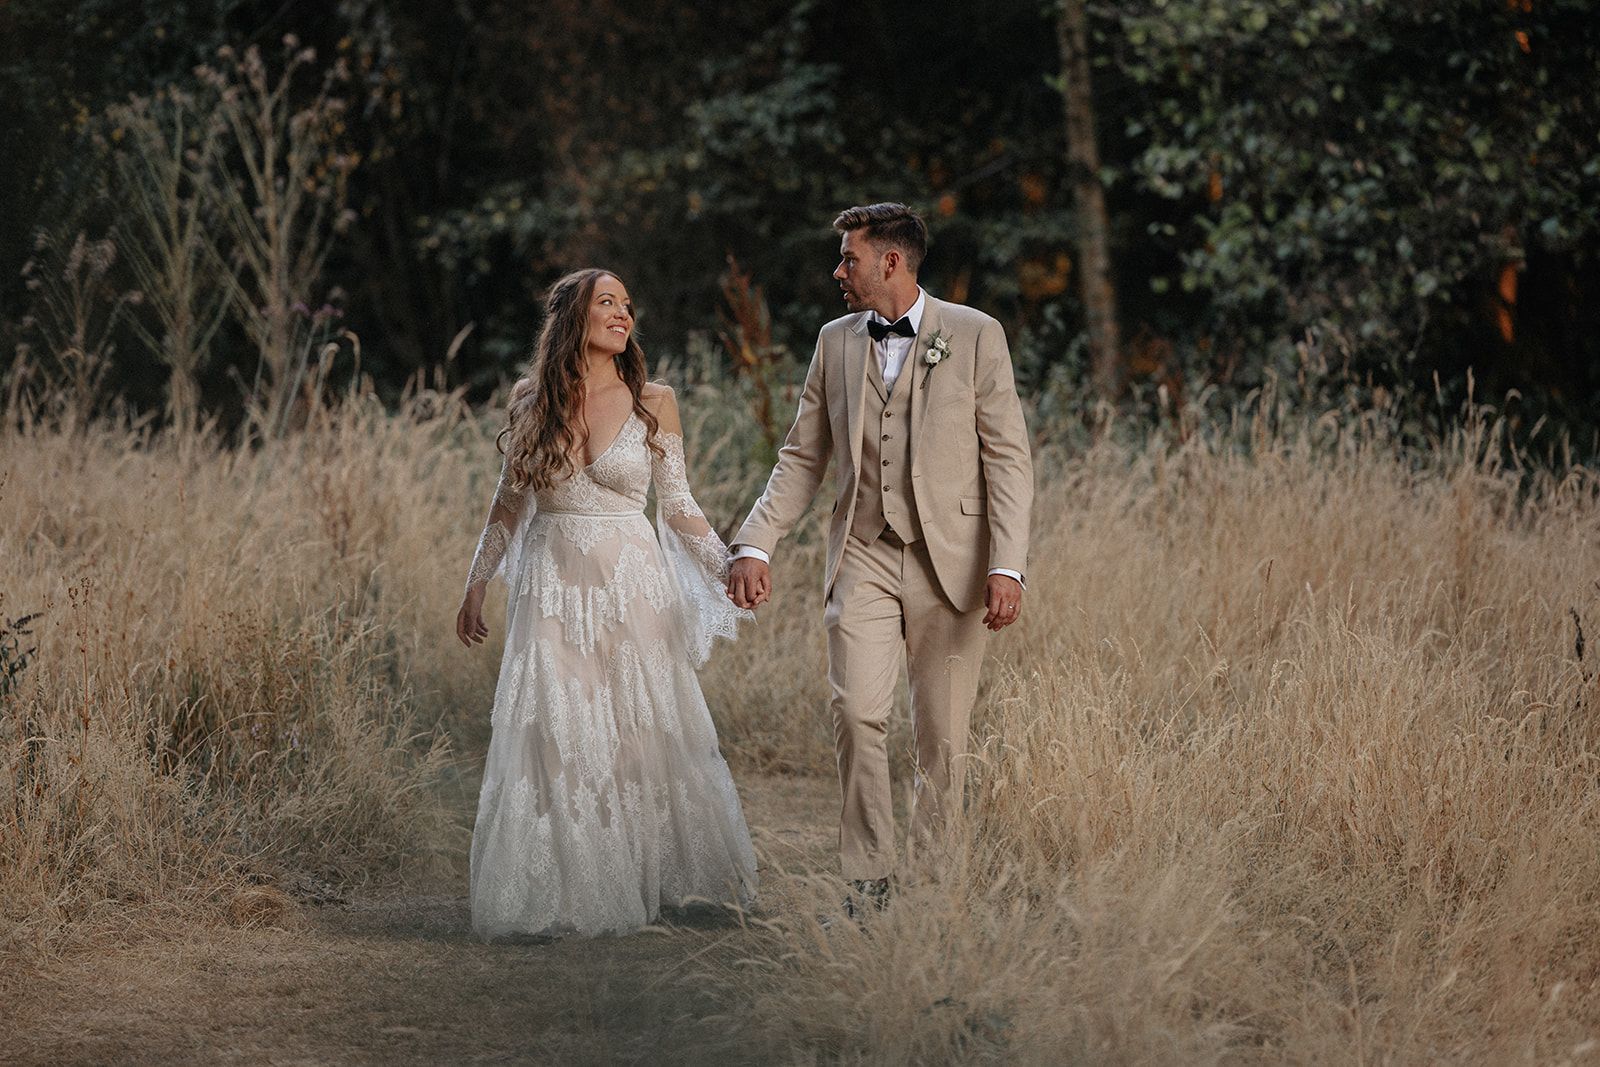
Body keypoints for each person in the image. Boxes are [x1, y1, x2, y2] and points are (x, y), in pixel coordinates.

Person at [726, 202, 1033, 918]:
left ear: (890, 262)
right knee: (858, 715)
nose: (839, 271)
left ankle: (932, 888)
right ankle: (867, 886)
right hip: (861, 554)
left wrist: (1008, 564)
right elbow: (802, 456)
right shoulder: (834, 341)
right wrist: (754, 539)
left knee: (943, 736)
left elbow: (1009, 458)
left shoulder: (976, 334)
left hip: (952, 566)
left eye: (849, 258)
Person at [456, 267, 757, 939]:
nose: (624, 313)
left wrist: (730, 565)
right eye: (608, 303)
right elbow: (508, 505)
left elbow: (678, 507)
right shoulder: (528, 399)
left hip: (632, 584)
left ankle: (657, 877)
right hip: (553, 587)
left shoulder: (655, 398)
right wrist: (476, 582)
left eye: (627, 303)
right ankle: (569, 892)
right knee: (560, 729)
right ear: (573, 320)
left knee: (637, 733)